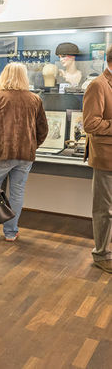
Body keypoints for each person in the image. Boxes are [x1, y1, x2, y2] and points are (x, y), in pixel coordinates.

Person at [0, 63, 48, 242]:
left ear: (4, 75)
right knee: (17, 193)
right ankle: (11, 232)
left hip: (1, 154)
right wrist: (33, 145)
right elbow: (43, 130)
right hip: (25, 156)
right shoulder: (35, 99)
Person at [82, 44, 112, 274]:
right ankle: (101, 254)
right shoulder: (98, 85)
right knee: (104, 210)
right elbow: (91, 123)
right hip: (106, 158)